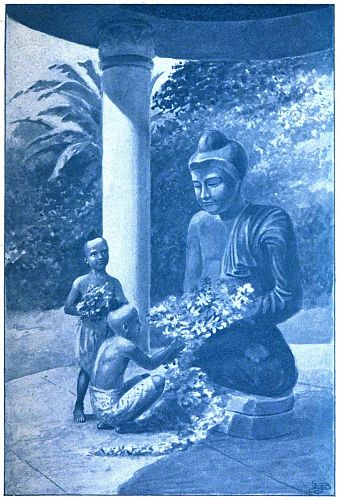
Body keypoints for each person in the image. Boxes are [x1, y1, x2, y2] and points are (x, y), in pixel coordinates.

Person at [184, 130, 303, 397]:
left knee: (274, 375)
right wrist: (205, 324)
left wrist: (240, 316)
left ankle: (202, 369)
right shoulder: (198, 224)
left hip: (254, 328)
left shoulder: (269, 221)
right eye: (196, 185)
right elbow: (190, 294)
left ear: (237, 179)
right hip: (210, 335)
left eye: (213, 183)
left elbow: (289, 298)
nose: (203, 194)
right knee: (185, 357)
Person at [64, 234, 128, 423]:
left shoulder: (114, 283)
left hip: (107, 332)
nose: (100, 257)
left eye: (103, 252)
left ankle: (104, 408)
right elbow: (68, 307)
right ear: (86, 259)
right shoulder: (81, 282)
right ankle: (79, 405)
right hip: (89, 333)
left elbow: (124, 305)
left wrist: (116, 309)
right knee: (87, 369)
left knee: (106, 371)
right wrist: (86, 309)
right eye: (94, 254)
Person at [89, 304, 183, 432]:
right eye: (137, 322)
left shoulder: (109, 342)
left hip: (98, 407)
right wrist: (172, 347)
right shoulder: (126, 346)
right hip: (110, 411)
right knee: (158, 382)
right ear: (125, 327)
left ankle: (108, 421)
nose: (140, 325)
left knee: (143, 378)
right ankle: (125, 423)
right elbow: (150, 364)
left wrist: (167, 355)